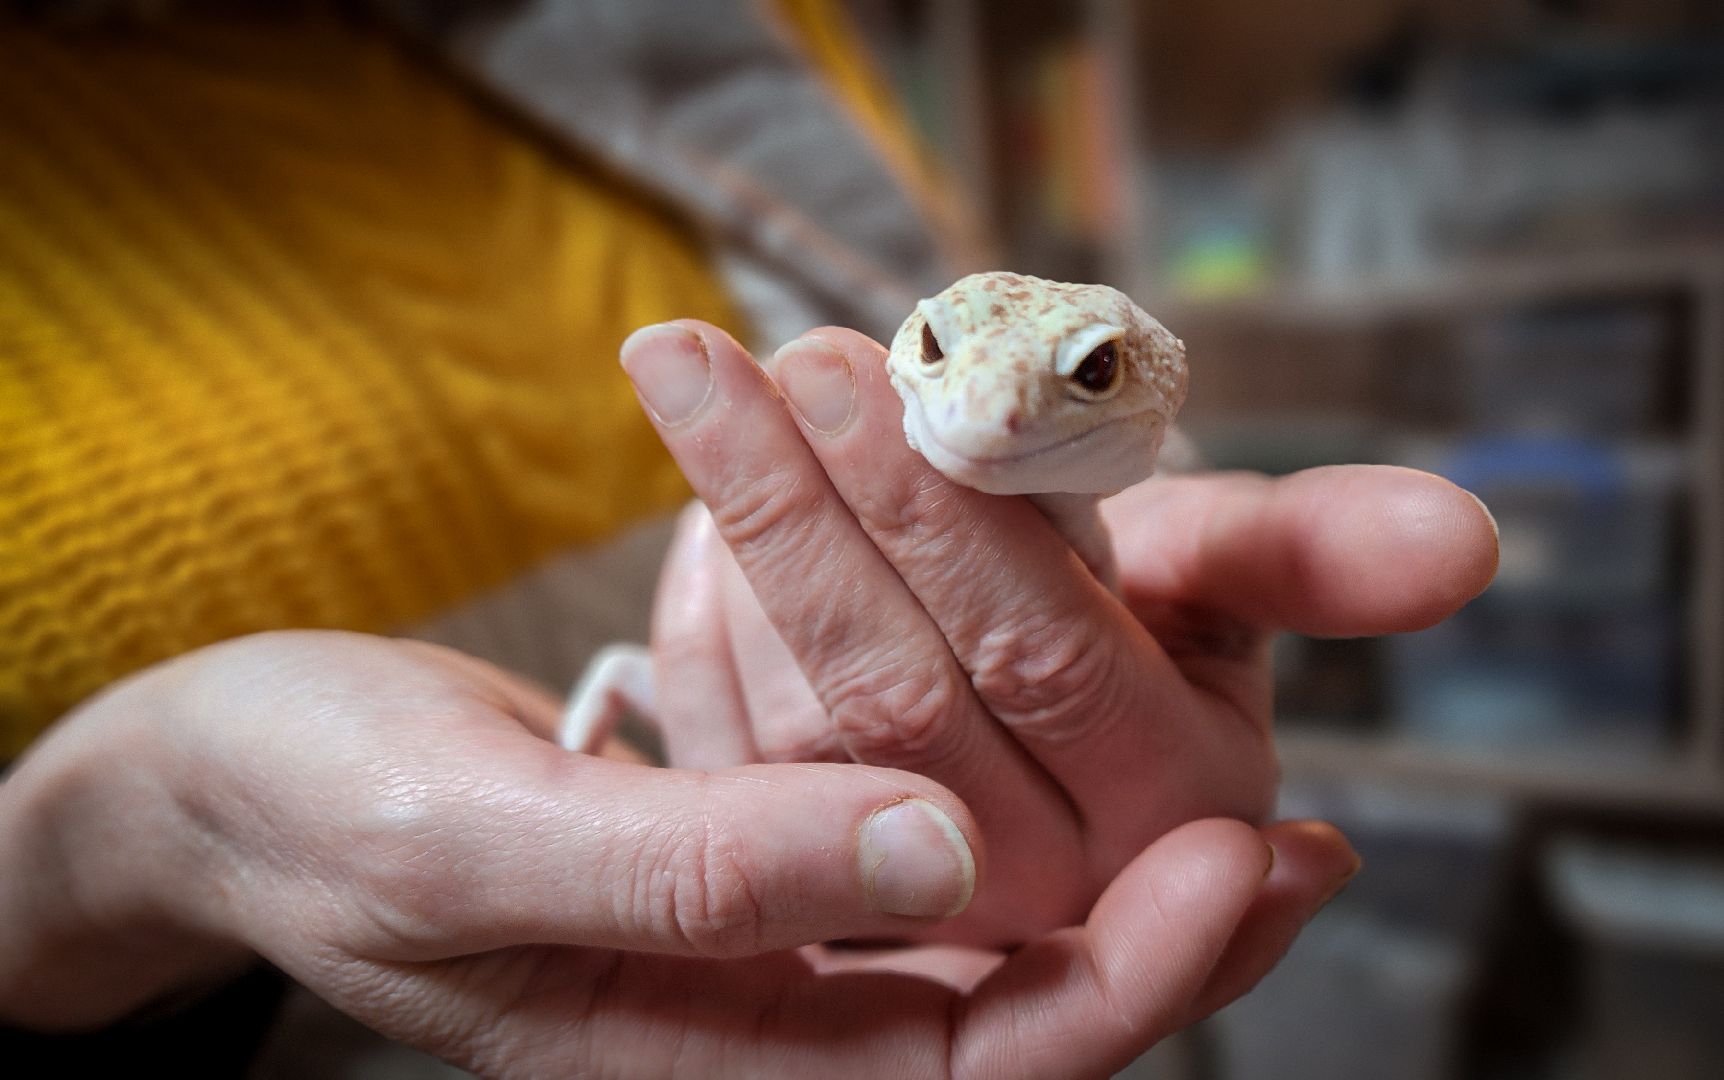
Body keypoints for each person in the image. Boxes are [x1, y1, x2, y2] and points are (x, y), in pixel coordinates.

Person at [0, 3, 1500, 1076]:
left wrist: (1175, 657)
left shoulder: (748, 32)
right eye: (928, 353)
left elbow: (1083, 448)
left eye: (1095, 375)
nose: (968, 408)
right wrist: (113, 845)